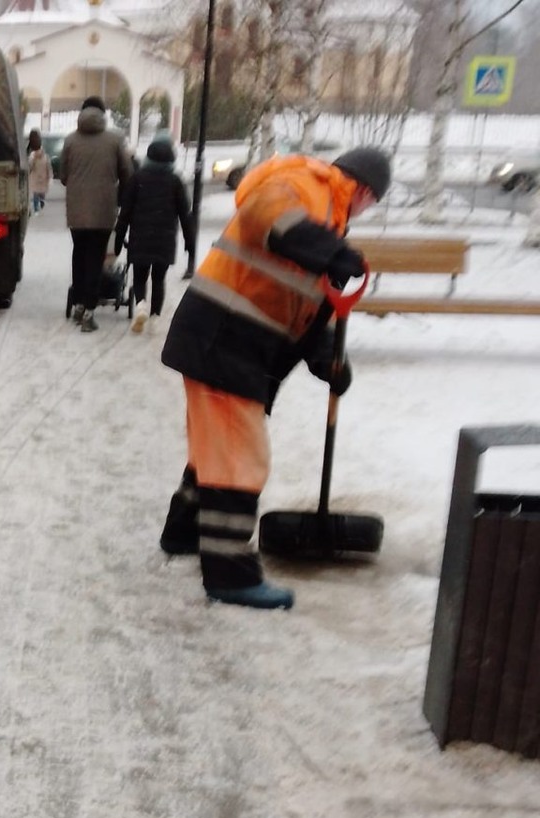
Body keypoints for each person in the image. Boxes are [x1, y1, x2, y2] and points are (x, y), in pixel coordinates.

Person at [157, 146, 392, 610]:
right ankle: (230, 575)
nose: (367, 209)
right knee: (239, 458)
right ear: (365, 190)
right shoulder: (306, 183)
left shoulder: (329, 216)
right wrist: (332, 251)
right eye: (373, 202)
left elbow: (308, 303)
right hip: (223, 339)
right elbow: (266, 216)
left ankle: (184, 531)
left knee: (216, 448)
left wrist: (328, 361)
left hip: (233, 344)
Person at [58, 96, 131, 332]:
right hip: (102, 211)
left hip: (77, 213)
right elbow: (127, 172)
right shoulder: (115, 140)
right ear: (103, 113)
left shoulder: (70, 141)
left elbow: (63, 176)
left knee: (79, 256)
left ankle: (79, 304)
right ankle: (89, 311)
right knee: (95, 259)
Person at [113, 136, 193, 332]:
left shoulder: (137, 179)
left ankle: (141, 305)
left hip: (140, 236)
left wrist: (118, 238)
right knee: (159, 278)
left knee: (140, 277)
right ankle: (155, 316)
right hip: (164, 240)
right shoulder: (176, 182)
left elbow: (125, 213)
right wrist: (189, 243)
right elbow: (185, 215)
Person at [26, 129, 51, 214]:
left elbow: (30, 165)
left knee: (35, 192)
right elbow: (48, 165)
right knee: (41, 191)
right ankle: (42, 201)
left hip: (35, 175)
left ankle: (36, 208)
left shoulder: (31, 153)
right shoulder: (44, 154)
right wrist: (49, 176)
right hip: (43, 174)